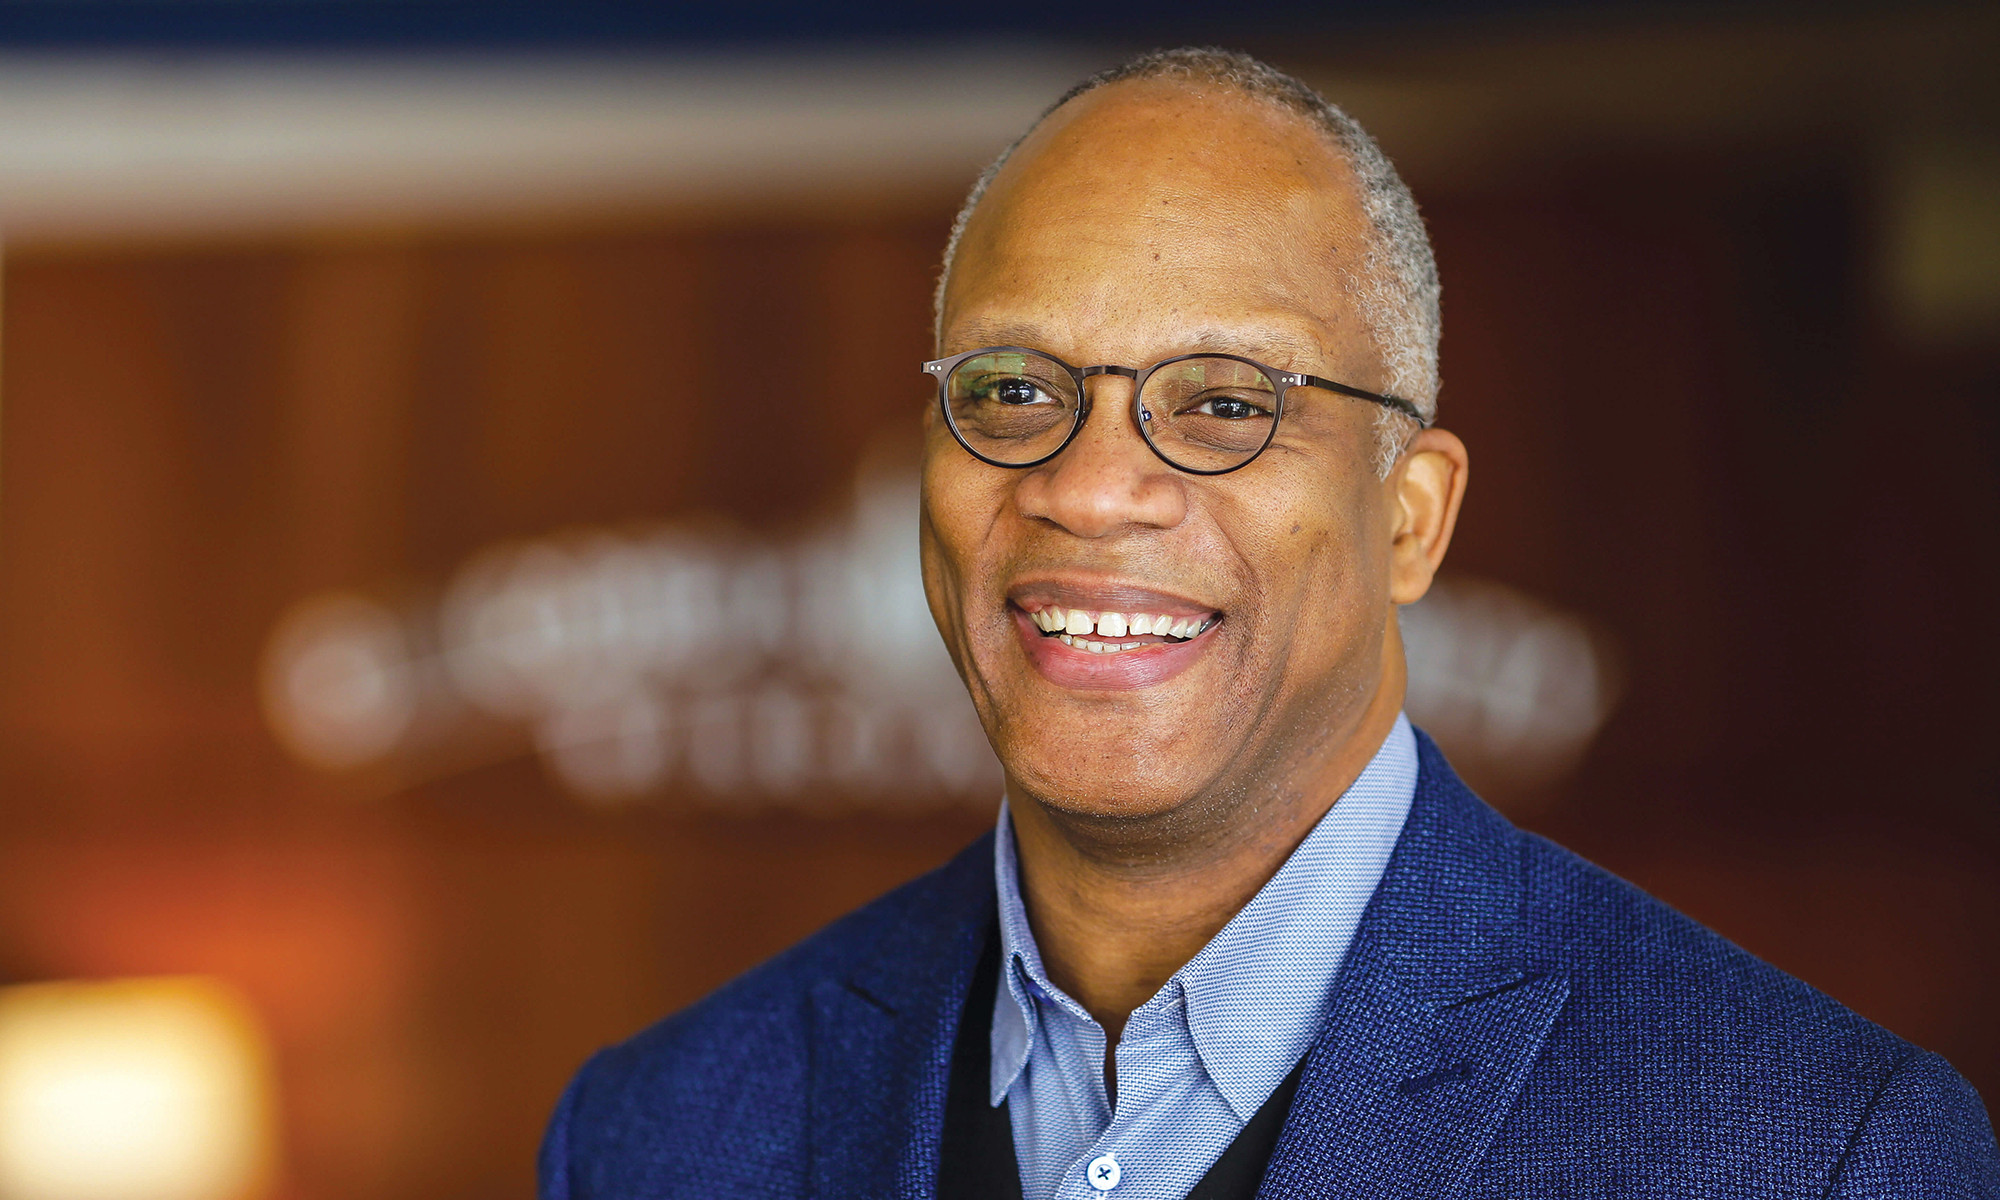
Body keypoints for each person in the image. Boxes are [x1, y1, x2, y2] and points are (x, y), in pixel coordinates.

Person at [539, 48, 1998, 1199]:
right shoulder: (659, 1133)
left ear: (1411, 518)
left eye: (1228, 402)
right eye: (1013, 389)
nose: (1089, 488)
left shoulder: (1813, 1151)